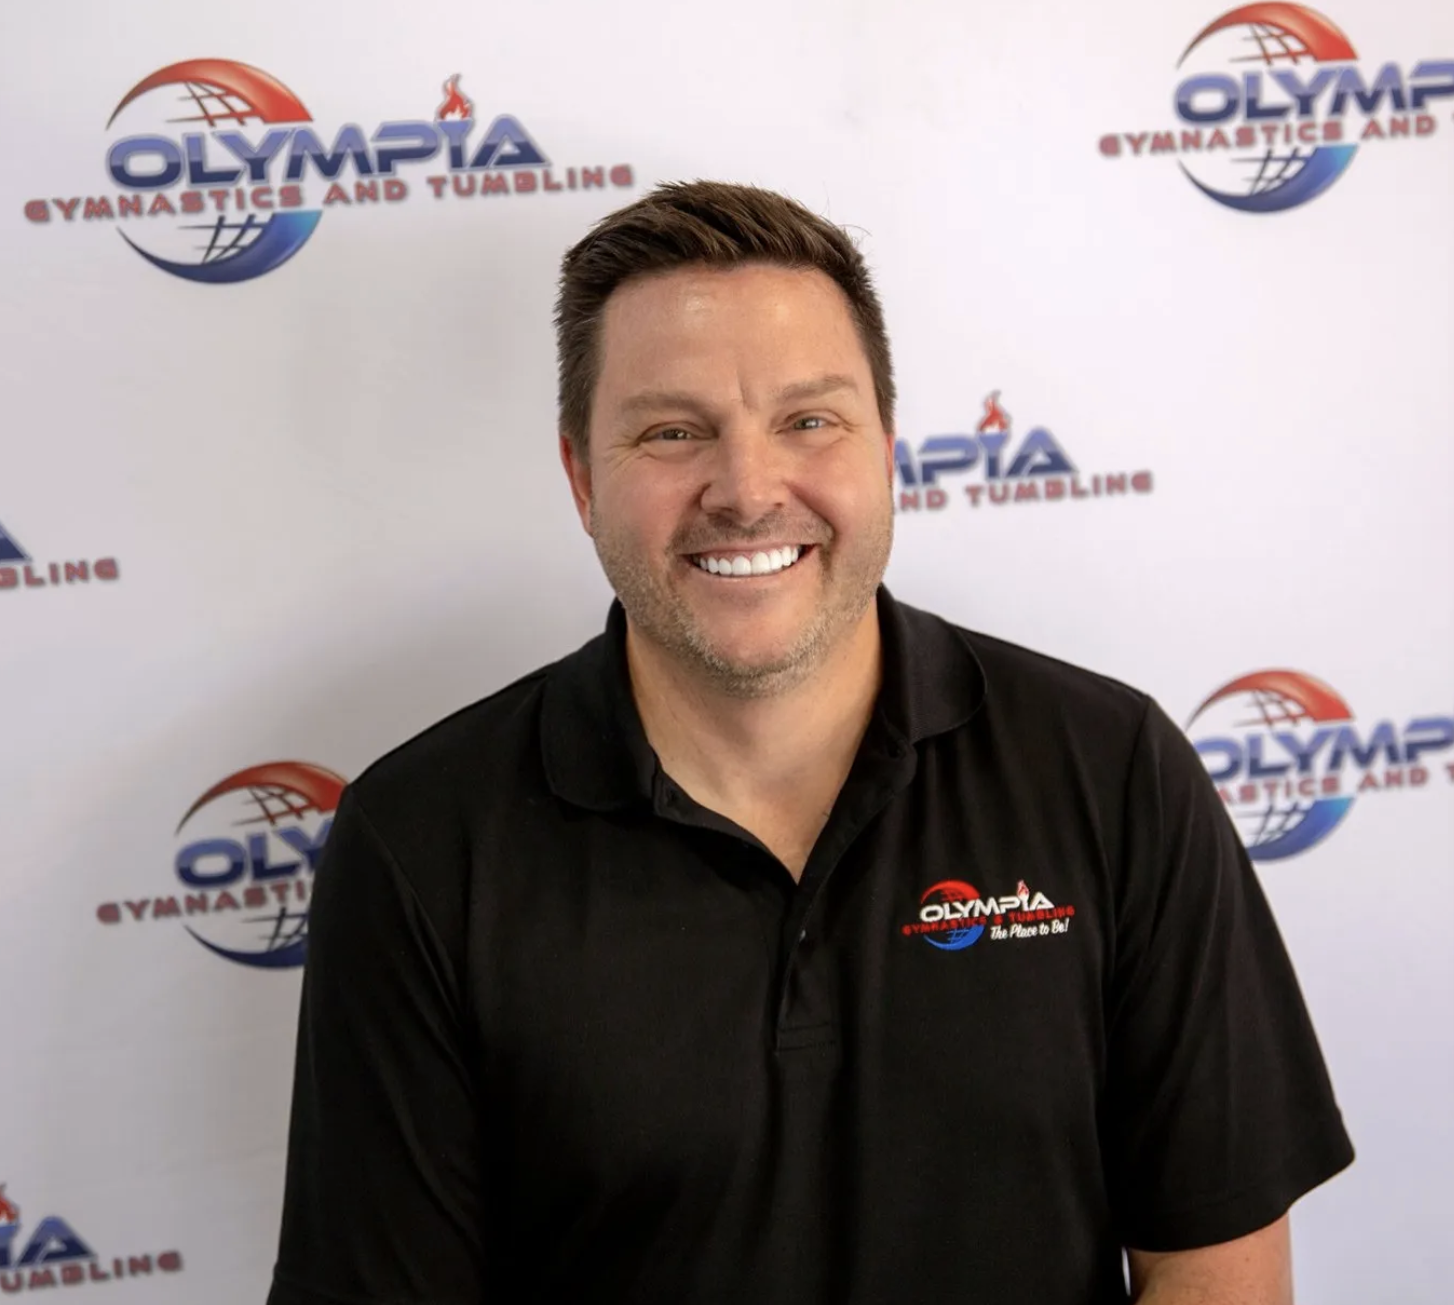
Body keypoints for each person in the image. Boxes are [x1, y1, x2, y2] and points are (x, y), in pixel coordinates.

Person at [265, 181, 1353, 1304]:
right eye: (672, 431)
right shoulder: (423, 843)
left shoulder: (1108, 768)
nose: (744, 491)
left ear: (884, 447)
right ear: (582, 478)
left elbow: (1215, 1274)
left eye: (806, 421)